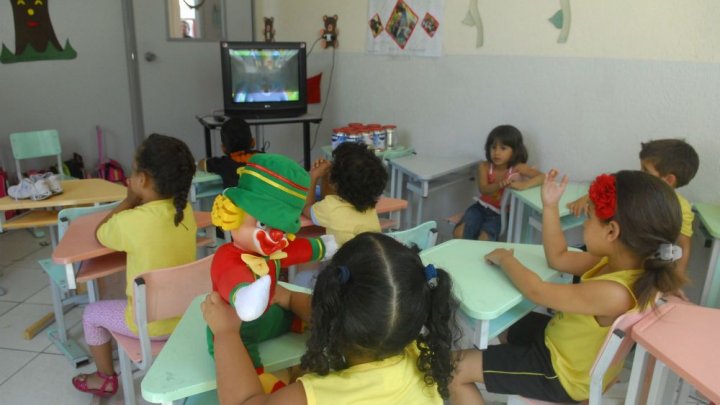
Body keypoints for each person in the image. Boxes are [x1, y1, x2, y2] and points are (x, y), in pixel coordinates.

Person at [449, 169, 688, 404]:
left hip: (561, 375)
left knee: (453, 369)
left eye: (589, 217)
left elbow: (537, 291)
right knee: (505, 320)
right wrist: (550, 206)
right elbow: (559, 258)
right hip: (561, 345)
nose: (584, 224)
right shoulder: (627, 266)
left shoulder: (614, 293)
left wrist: (506, 258)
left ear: (612, 231)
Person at [201, 232, 460, 404]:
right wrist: (290, 299)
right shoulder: (417, 351)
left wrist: (226, 334)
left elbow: (246, 403)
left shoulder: (321, 396)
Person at [71, 134, 198, 398]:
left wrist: (129, 200)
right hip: (187, 320)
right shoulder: (185, 211)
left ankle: (105, 378)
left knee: (91, 314)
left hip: (149, 329)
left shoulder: (132, 220)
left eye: (132, 170)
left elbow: (101, 232)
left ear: (142, 180)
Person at [567, 139, 699, 284]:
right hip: (612, 260)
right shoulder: (636, 192)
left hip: (639, 273)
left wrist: (675, 282)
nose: (640, 173)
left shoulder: (681, 208)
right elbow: (610, 192)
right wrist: (587, 198)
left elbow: (683, 246)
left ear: (669, 180)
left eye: (645, 170)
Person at [453, 125, 544, 241]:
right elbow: (483, 189)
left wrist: (524, 185)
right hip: (480, 208)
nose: (496, 153)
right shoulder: (484, 166)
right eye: (493, 147)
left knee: (484, 239)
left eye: (503, 148)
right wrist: (499, 185)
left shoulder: (518, 167)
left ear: (515, 150)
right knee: (459, 233)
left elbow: (543, 177)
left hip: (500, 215)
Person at [303, 142, 388, 246]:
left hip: (344, 261)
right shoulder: (369, 205)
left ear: (335, 183)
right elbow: (329, 198)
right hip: (371, 257)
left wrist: (314, 176)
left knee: (308, 250)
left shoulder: (330, 208)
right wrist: (325, 177)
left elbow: (306, 207)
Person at [198, 117, 260, 189]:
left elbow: (201, 164)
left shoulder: (222, 164)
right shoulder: (264, 158)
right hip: (263, 199)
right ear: (253, 142)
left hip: (235, 200)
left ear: (223, 148)